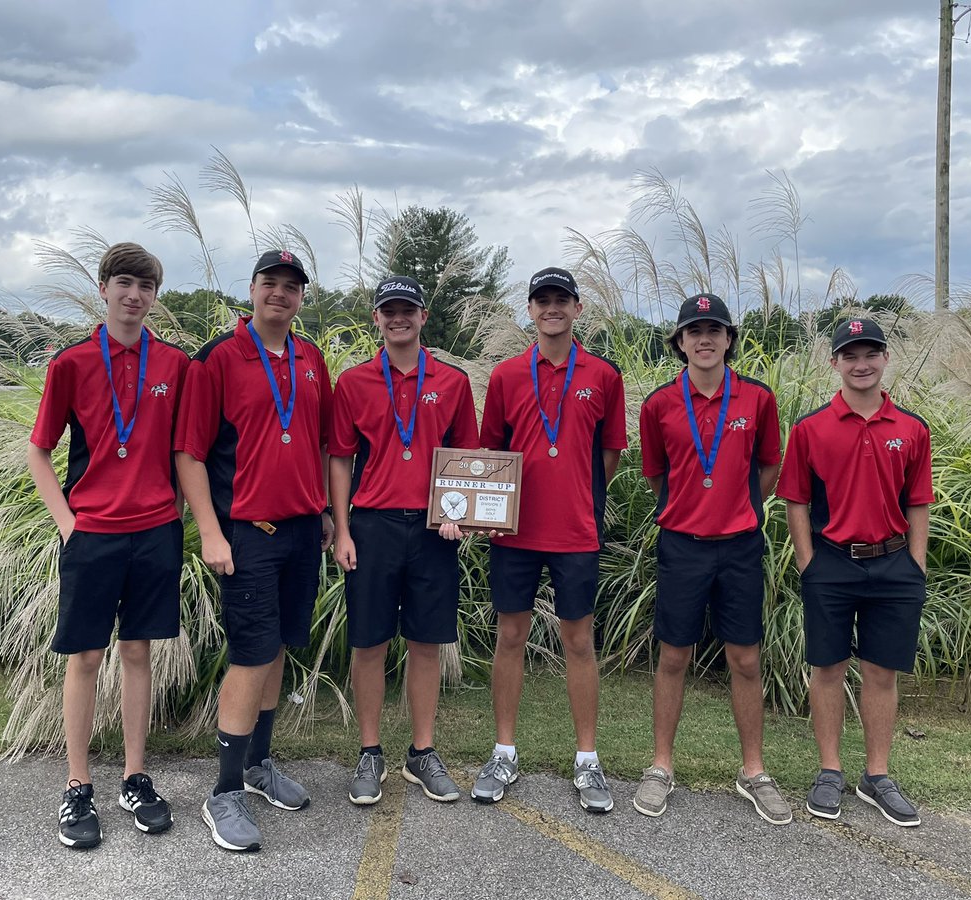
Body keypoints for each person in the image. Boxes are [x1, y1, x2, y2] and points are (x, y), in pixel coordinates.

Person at [28, 242, 189, 849]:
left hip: (153, 531)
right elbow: (39, 449)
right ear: (103, 288)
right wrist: (67, 522)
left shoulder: (173, 365)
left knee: (139, 653)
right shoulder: (71, 363)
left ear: (153, 296)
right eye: (123, 282)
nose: (134, 295)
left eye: (145, 286)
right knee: (85, 659)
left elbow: (185, 450)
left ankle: (134, 777)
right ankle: (77, 786)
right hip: (92, 532)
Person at [174, 249, 334, 852]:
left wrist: (319, 507)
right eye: (271, 283)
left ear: (300, 298)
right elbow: (189, 452)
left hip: (299, 531)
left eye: (293, 287)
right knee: (250, 654)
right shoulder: (218, 357)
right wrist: (211, 533)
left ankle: (259, 765)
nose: (281, 294)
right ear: (252, 289)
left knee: (278, 649)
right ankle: (224, 791)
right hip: (247, 533)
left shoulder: (311, 358)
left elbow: (316, 443)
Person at [471, 266, 626, 813]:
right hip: (515, 532)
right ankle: (504, 752)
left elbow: (608, 454)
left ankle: (587, 760)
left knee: (578, 641)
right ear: (531, 310)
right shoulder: (509, 375)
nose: (552, 308)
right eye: (542, 300)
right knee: (510, 636)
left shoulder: (604, 375)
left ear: (577, 309)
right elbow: (491, 454)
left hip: (577, 532)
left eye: (562, 299)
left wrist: (579, 498)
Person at [634, 293, 790, 825]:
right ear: (679, 342)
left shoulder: (757, 399)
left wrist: (737, 508)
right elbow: (656, 474)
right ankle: (660, 767)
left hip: (740, 545)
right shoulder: (658, 404)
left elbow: (768, 468)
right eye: (694, 331)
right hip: (682, 545)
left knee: (745, 658)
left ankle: (753, 771)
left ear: (729, 339)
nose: (705, 339)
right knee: (674, 656)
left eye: (715, 330)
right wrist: (694, 505)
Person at [329, 275, 481, 806]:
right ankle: (370, 750)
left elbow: (467, 457)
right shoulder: (353, 382)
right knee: (368, 642)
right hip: (372, 527)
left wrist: (458, 510)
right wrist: (342, 529)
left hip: (435, 528)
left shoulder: (453, 381)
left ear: (422, 317)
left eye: (408, 310)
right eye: (388, 310)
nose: (398, 318)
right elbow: (340, 459)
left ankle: (421, 751)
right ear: (377, 318)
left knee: (426, 642)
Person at [777, 318, 933, 827]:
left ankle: (878, 775)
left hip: (893, 564)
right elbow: (795, 500)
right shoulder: (810, 428)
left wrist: (915, 563)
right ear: (835, 363)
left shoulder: (911, 429)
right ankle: (829, 771)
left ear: (885, 359)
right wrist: (808, 562)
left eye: (871, 354)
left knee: (882, 672)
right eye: (851, 355)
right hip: (832, 564)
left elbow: (918, 502)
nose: (861, 364)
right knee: (828, 668)